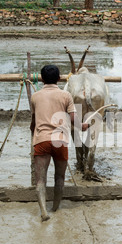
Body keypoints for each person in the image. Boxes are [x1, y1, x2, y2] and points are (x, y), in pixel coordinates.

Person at [30, 64, 89, 221]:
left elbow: (33, 122)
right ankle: (55, 208)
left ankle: (43, 211)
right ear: (59, 78)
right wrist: (83, 126)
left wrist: (34, 136)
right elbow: (73, 120)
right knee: (60, 178)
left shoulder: (35, 96)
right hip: (60, 142)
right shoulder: (66, 95)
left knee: (40, 180)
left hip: (41, 141)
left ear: (42, 79)